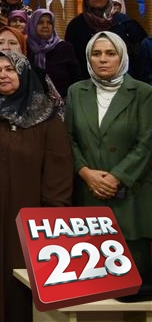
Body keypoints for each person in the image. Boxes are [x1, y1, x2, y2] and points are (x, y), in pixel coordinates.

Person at [0, 50, 72, 322]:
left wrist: (53, 215)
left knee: (23, 279)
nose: (2, 75)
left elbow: (59, 168)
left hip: (31, 218)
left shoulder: (45, 114)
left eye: (10, 69)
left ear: (24, 73)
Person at [65, 31, 152, 282]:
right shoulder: (75, 92)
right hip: (88, 196)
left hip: (131, 200)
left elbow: (146, 143)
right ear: (88, 58)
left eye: (110, 53)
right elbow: (68, 139)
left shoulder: (143, 92)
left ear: (122, 57)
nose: (103, 59)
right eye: (96, 53)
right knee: (92, 283)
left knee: (132, 284)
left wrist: (117, 177)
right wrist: (85, 172)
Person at [65, 0, 149, 82]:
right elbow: (71, 62)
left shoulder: (125, 23)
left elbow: (140, 59)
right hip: (87, 84)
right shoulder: (76, 26)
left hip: (123, 83)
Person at [27, 8, 80, 97]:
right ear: (33, 25)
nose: (45, 26)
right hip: (32, 101)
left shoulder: (65, 48)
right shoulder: (26, 47)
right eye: (40, 22)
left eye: (49, 23)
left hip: (63, 101)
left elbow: (76, 78)